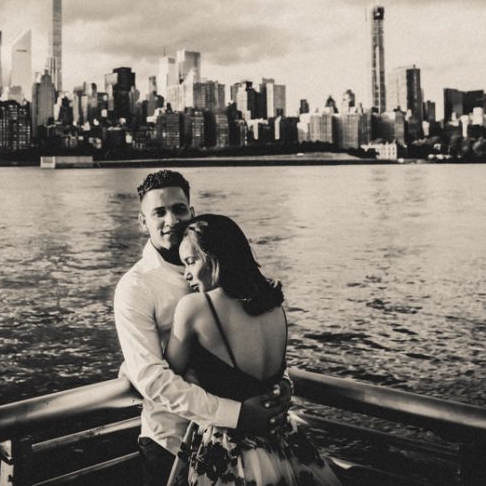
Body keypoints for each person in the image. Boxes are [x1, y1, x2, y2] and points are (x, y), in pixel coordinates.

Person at [115, 171, 294, 486]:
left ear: (191, 212)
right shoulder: (135, 287)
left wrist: (279, 385)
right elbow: (152, 378)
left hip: (240, 440)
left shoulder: (227, 276)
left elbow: (249, 338)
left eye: (179, 208)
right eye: (158, 212)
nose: (171, 218)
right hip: (171, 441)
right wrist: (237, 413)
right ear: (143, 222)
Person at [164, 214, 341, 485]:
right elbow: (275, 374)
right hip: (284, 442)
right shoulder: (274, 307)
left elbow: (169, 373)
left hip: (230, 449)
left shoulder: (196, 307)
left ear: (214, 258)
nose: (186, 274)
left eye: (190, 261)